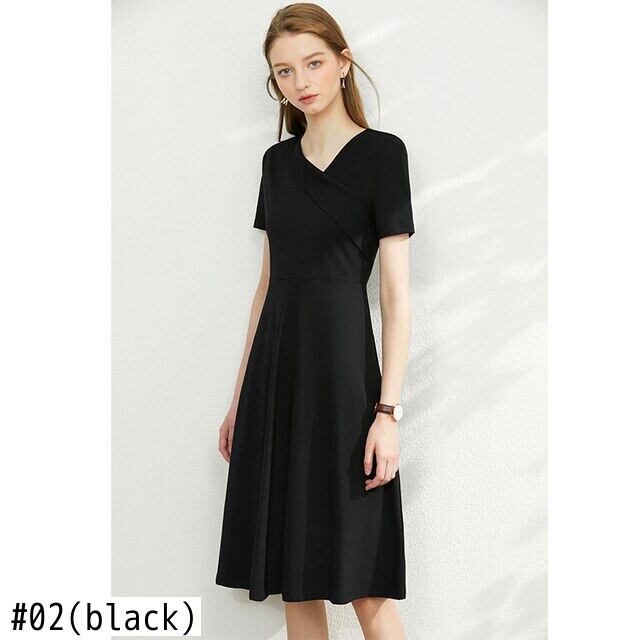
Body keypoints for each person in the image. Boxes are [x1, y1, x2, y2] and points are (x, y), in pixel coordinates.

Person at [215, 4, 415, 639]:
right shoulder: (276, 165)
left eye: (313, 63)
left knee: (366, 584)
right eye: (284, 71)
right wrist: (239, 400)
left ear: (343, 62)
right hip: (276, 382)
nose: (300, 81)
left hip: (347, 385)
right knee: (294, 580)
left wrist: (387, 414)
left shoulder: (383, 155)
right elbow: (266, 288)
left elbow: (396, 296)